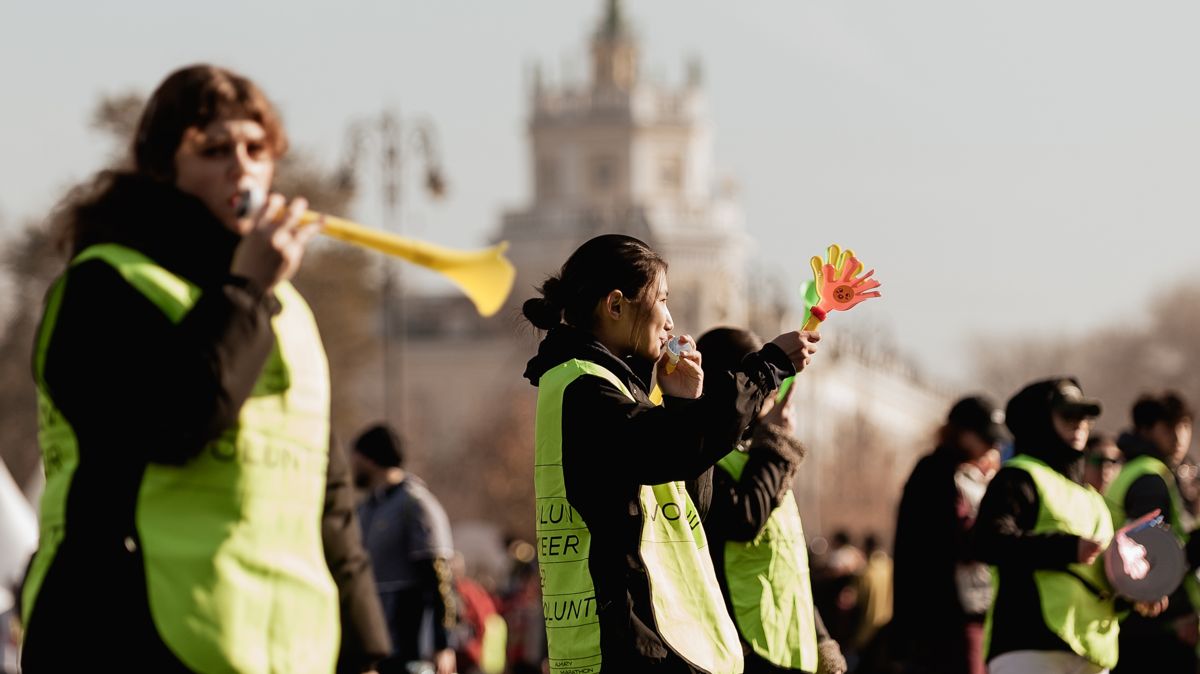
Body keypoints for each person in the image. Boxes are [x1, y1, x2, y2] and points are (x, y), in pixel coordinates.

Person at [19, 64, 389, 673]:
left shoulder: (286, 306)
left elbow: (326, 497)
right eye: (214, 150)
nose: (241, 167)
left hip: (276, 650)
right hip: (126, 632)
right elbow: (178, 420)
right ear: (165, 167)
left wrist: (367, 650)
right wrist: (245, 287)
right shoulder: (105, 284)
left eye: (256, 148)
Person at [522, 234, 818, 673]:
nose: (669, 319)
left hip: (657, 638)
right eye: (661, 299)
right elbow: (666, 451)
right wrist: (766, 368)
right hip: (625, 640)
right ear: (616, 305)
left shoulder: (615, 388)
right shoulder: (583, 386)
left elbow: (688, 497)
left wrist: (683, 403)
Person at [972, 378, 1165, 674]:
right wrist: (1066, 548)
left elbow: (1100, 578)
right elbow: (987, 541)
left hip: (1092, 653)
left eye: (1085, 417)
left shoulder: (1093, 499)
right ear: (1039, 421)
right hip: (1030, 646)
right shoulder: (1018, 477)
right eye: (1068, 415)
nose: (1080, 424)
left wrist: (1135, 592)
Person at [693, 327, 846, 674]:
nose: (774, 394)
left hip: (789, 651)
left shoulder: (757, 456)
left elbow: (791, 565)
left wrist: (822, 640)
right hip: (744, 648)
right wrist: (775, 445)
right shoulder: (709, 458)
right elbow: (745, 518)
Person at [893, 395, 1007, 674]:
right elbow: (957, 542)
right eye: (986, 438)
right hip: (941, 618)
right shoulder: (936, 474)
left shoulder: (963, 474)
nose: (994, 446)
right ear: (963, 433)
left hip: (963, 610)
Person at [1107, 392, 1200, 674]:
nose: (1179, 437)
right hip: (1154, 623)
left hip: (1136, 616)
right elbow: (1151, 554)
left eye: (1184, 426)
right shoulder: (1150, 478)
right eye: (1169, 428)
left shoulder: (1142, 470)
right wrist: (1180, 614)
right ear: (1146, 430)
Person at [352, 424, 457, 674]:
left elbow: (440, 579)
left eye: (354, 457)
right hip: (375, 644)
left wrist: (443, 643)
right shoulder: (366, 509)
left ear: (369, 459)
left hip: (409, 649)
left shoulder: (416, 505)